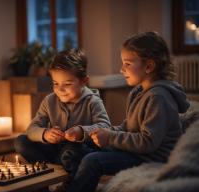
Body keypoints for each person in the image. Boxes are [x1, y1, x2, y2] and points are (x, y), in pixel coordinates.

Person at [65, 31, 190, 192]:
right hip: (136, 152)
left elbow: (148, 142)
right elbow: (128, 127)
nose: (122, 69)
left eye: (127, 63)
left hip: (152, 158)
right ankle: (72, 185)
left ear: (149, 66)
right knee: (77, 148)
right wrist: (99, 133)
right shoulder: (139, 92)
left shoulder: (159, 97)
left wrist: (110, 137)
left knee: (93, 161)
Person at [14, 49, 111, 182]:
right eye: (56, 83)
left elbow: (105, 126)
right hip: (54, 149)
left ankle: (68, 179)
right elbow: (32, 128)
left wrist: (82, 132)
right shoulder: (49, 101)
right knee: (21, 141)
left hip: (79, 149)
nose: (60, 89)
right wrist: (45, 134)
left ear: (84, 81)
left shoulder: (93, 101)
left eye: (67, 84)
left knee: (71, 151)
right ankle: (49, 173)